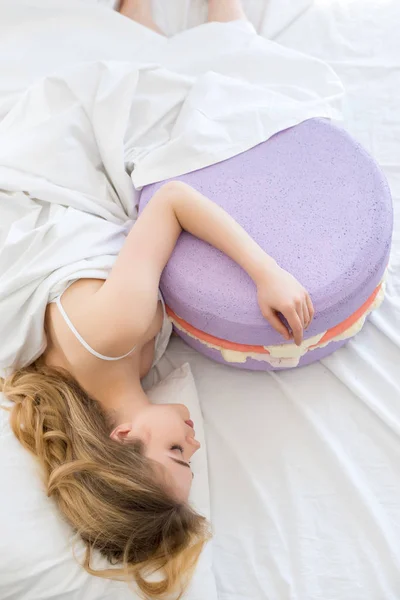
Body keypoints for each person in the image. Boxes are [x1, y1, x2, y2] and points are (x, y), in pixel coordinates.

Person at [1, 1, 314, 598]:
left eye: (176, 452)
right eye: (189, 459)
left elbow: (172, 200)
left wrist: (264, 271)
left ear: (122, 438)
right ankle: (140, 10)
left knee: (236, 105)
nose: (194, 442)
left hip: (69, 162)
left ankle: (200, 12)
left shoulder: (117, 335)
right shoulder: (102, 377)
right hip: (97, 211)